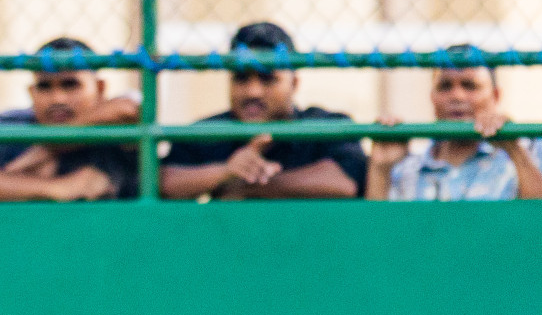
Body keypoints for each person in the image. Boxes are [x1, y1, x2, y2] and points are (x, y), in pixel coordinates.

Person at [162, 22, 366, 200]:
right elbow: (163, 183)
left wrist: (250, 185)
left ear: (293, 83)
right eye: (241, 78)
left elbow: (345, 181)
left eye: (268, 79)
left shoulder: (324, 125)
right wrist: (226, 171)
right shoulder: (207, 132)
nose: (253, 92)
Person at [0, 37, 140, 201]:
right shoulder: (16, 124)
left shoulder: (115, 123)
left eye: (70, 85)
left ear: (100, 88)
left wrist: (49, 147)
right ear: (32, 93)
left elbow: (129, 108)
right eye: (44, 86)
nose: (58, 99)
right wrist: (59, 188)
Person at [367, 48, 542, 200]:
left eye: (470, 86)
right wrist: (381, 169)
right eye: (445, 86)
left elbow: (535, 223)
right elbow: (377, 233)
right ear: (432, 97)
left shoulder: (529, 151)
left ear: (495, 95)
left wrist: (515, 152)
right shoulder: (407, 169)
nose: (457, 96)